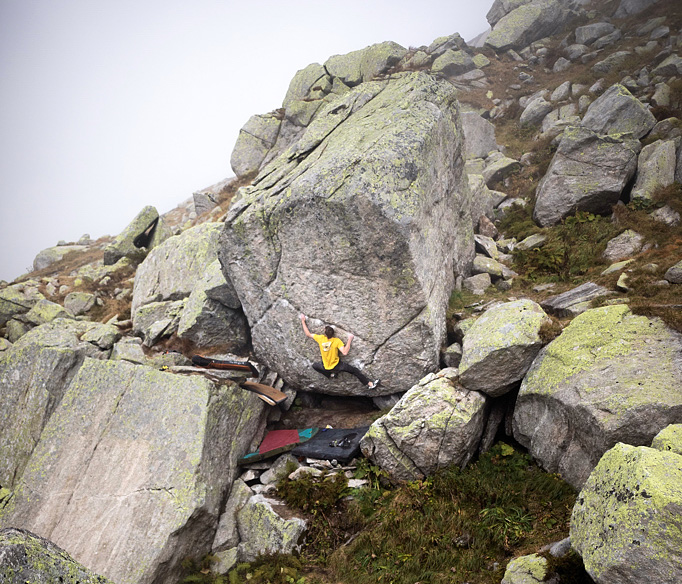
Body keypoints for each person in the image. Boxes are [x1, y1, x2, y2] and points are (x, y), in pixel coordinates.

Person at [299, 313, 379, 389]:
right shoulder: (336, 341)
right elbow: (345, 352)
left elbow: (308, 334)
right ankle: (370, 384)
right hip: (337, 365)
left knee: (314, 366)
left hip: (325, 366)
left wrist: (303, 320)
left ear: (324, 333)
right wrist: (349, 339)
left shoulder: (320, 339)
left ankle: (330, 374)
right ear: (333, 334)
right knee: (355, 371)